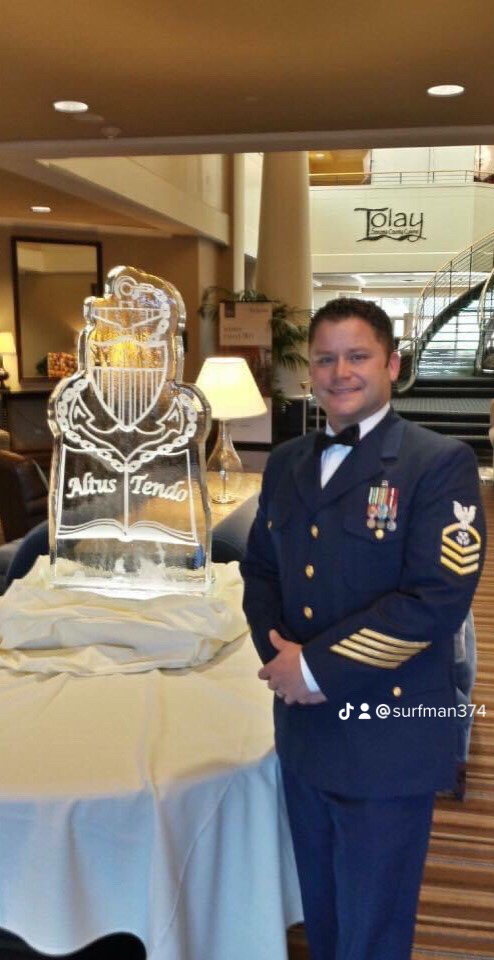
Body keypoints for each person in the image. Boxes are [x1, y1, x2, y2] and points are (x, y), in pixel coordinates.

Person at [240, 297, 486, 960]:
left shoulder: (439, 462)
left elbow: (436, 599)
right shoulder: (287, 461)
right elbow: (260, 569)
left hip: (387, 735)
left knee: (372, 931)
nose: (339, 372)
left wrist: (314, 668)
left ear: (392, 365)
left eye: (357, 356)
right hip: (303, 731)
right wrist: (281, 660)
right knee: (322, 917)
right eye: (325, 358)